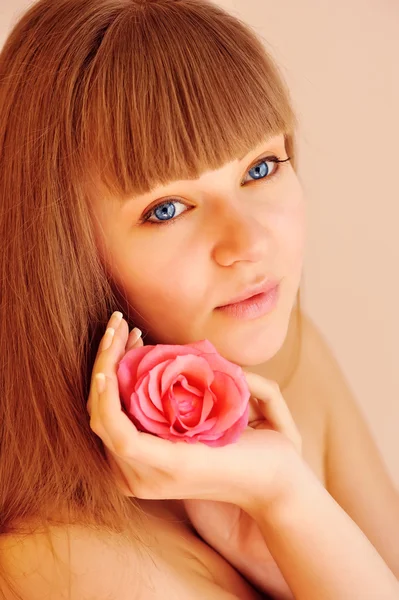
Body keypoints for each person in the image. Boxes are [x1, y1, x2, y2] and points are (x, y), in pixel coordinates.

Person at [0, 0, 397, 598]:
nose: (250, 242)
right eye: (167, 209)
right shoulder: (63, 562)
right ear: (64, 253)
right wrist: (284, 492)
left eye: (261, 168)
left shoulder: (289, 366)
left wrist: (284, 546)